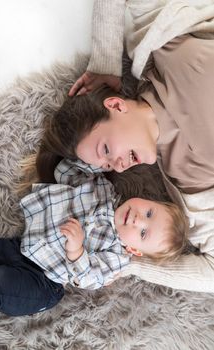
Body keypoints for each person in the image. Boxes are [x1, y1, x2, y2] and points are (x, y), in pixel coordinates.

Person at [33, 1, 214, 292]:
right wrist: (130, 264)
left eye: (106, 150)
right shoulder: (191, 184)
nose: (118, 165)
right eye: (106, 166)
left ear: (116, 105)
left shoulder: (165, 47)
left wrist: (105, 63)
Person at [20, 158, 188, 289]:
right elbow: (68, 173)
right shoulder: (103, 189)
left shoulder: (116, 256)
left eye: (143, 233)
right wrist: (98, 161)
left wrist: (76, 250)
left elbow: (90, 278)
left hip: (41, 273)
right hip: (36, 218)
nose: (139, 219)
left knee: (1, 283)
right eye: (149, 213)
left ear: (134, 250)